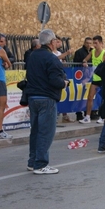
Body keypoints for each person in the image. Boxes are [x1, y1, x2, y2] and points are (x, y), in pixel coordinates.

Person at [25, 29, 69, 174]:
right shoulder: (52, 59)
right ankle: (41, 164)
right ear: (51, 43)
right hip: (47, 98)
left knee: (36, 131)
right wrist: (64, 83)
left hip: (33, 97)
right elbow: (55, 81)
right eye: (55, 40)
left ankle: (32, 161)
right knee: (46, 132)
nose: (57, 43)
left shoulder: (32, 56)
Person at [79, 35, 105, 124]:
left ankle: (102, 117)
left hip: (103, 79)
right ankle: (87, 117)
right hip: (95, 78)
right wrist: (85, 63)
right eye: (94, 43)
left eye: (96, 43)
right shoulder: (93, 52)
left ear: (101, 43)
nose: (94, 45)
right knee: (90, 97)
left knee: (103, 99)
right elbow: (85, 59)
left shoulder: (104, 53)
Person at [73, 37, 93, 121]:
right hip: (82, 77)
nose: (88, 44)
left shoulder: (93, 51)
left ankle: (88, 112)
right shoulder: (79, 52)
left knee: (89, 95)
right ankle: (78, 113)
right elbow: (75, 65)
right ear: (84, 43)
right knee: (80, 95)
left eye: (90, 43)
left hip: (90, 76)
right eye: (87, 43)